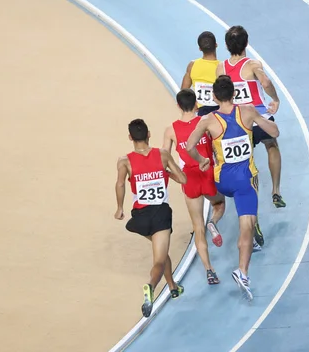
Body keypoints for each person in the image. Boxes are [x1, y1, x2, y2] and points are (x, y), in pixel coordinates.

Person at [186, 75, 279, 301]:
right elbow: (274, 133)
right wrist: (258, 117)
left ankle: (215, 217)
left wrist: (201, 160)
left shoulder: (207, 120)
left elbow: (189, 146)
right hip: (245, 180)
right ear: (235, 94)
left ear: (215, 96)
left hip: (222, 181)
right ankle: (243, 272)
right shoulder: (247, 111)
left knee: (223, 204)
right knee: (247, 226)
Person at [114, 119, 186, 318]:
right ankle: (151, 287)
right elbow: (183, 179)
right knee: (159, 261)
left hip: (140, 217)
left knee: (160, 253)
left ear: (130, 138)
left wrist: (120, 208)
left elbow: (120, 184)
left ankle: (173, 287)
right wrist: (166, 173)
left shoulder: (124, 161)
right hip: (160, 214)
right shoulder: (163, 155)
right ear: (149, 134)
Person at [216, 25, 286, 214]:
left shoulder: (221, 67)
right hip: (259, 116)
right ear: (246, 43)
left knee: (246, 164)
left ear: (226, 45)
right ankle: (276, 190)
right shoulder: (253, 65)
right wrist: (275, 99)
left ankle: (252, 214)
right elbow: (266, 82)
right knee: (272, 145)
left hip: (239, 121)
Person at [163, 89, 226, 285]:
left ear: (178, 106)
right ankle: (214, 221)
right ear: (197, 103)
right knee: (219, 204)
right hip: (208, 172)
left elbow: (164, 158)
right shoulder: (205, 122)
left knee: (197, 227)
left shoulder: (171, 130)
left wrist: (176, 176)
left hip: (189, 177)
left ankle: (209, 270)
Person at [181, 31, 220, 117]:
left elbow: (183, 91)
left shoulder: (192, 65)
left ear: (200, 48)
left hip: (202, 112)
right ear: (216, 45)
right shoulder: (222, 66)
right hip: (220, 110)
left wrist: (193, 105)